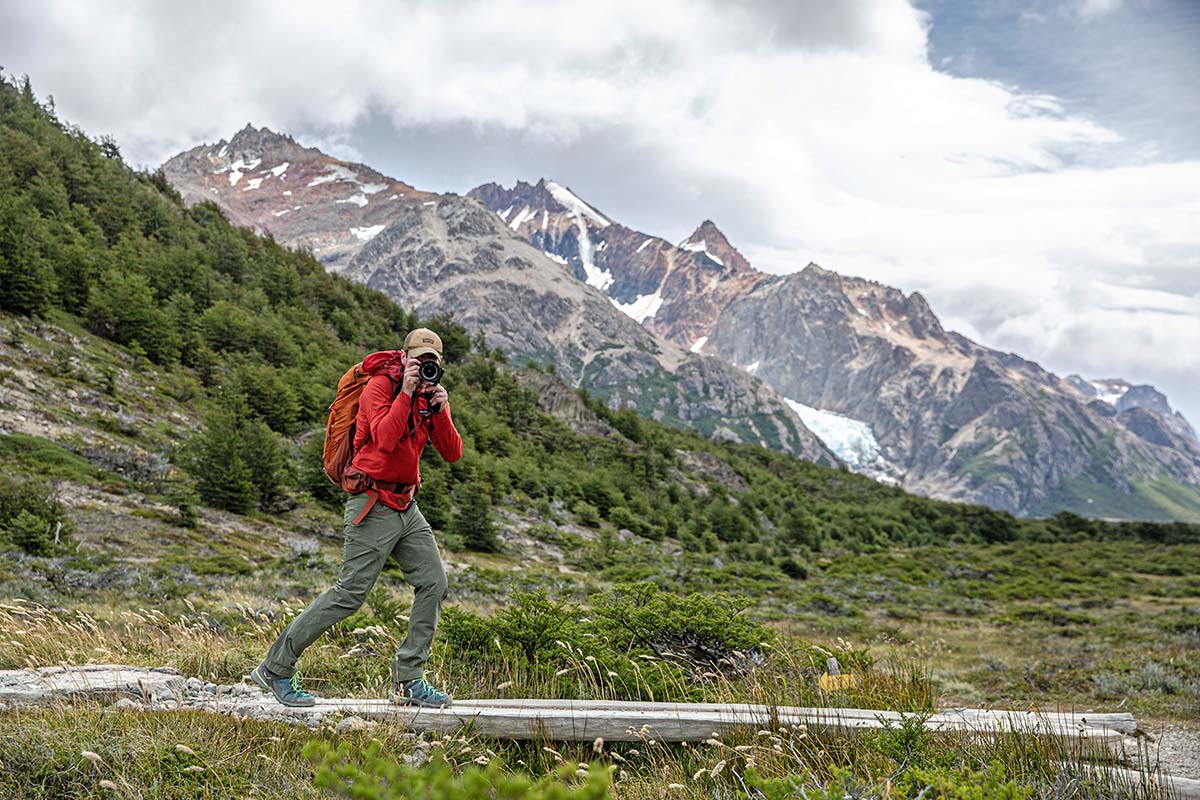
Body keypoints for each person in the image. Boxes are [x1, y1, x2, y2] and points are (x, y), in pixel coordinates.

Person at [251, 327, 462, 708]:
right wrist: (406, 393)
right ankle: (275, 669)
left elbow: (452, 452)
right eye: (418, 360)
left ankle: (409, 680)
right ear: (404, 356)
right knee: (349, 594)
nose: (425, 367)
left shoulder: (431, 398)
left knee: (433, 581)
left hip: (406, 505)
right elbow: (382, 438)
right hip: (372, 503)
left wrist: (442, 409)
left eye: (432, 362)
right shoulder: (380, 387)